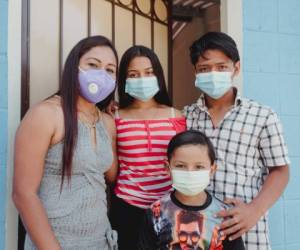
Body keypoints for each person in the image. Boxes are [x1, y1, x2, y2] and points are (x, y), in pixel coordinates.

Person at [183, 32, 290, 249]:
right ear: (195, 71)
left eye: (222, 67)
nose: (213, 73)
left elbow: (280, 170)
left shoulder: (262, 115)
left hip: (248, 231)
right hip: (197, 234)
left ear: (236, 68)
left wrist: (254, 210)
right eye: (204, 68)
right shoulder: (184, 117)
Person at [13, 36, 119, 249]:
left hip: (102, 240)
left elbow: (110, 175)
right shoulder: (46, 115)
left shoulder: (107, 123)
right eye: (93, 65)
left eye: (110, 70)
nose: (102, 74)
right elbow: (24, 194)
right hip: (56, 242)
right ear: (74, 67)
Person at [110, 45, 186, 250]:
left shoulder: (176, 116)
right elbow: (111, 168)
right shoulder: (115, 117)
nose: (141, 79)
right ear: (124, 81)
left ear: (158, 76)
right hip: (127, 207)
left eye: (148, 73)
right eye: (133, 75)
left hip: (170, 207)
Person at [138, 130, 245, 250]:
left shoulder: (224, 215)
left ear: (212, 169)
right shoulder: (155, 214)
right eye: (180, 166)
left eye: (199, 167)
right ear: (168, 168)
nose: (190, 173)